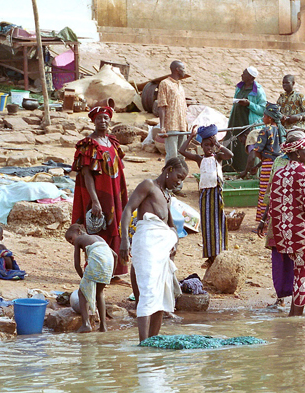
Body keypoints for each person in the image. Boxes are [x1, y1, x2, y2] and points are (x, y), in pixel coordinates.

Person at [119, 157, 189, 342]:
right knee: (148, 293)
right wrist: (124, 240)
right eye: (179, 177)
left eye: (182, 179)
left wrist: (173, 241)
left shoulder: (167, 196)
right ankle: (143, 344)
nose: (179, 182)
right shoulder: (148, 185)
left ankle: (153, 342)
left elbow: (172, 225)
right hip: (147, 245)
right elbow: (128, 210)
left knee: (162, 297)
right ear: (169, 169)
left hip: (162, 252)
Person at [258, 129, 305, 307]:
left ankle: (293, 306)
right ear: (297, 151)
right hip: (299, 225)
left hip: (282, 224)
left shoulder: (284, 169)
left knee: (296, 263)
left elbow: (272, 193)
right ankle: (293, 305)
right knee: (295, 265)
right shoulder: (303, 168)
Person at [72, 106, 128, 283]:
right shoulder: (88, 144)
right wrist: (95, 201)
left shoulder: (111, 142)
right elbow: (87, 175)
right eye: (99, 118)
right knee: (100, 229)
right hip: (98, 194)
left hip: (113, 193)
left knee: (115, 226)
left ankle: (113, 271)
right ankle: (98, 270)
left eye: (105, 118)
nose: (103, 121)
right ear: (93, 121)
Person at [179, 124, 233, 269]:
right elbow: (181, 150)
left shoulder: (218, 157)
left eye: (211, 145)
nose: (209, 148)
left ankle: (220, 253)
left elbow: (230, 155)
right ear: (201, 145)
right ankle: (210, 257)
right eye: (206, 145)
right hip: (205, 196)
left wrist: (218, 144)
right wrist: (191, 137)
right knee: (207, 226)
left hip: (216, 194)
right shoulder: (199, 159)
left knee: (218, 223)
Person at [65, 223, 117, 333]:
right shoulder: (98, 239)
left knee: (82, 292)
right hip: (109, 263)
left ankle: (86, 324)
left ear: (79, 231)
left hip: (98, 259)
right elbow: (115, 255)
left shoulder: (80, 239)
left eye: (70, 238)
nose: (71, 242)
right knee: (99, 293)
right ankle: (103, 326)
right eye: (69, 242)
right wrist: (111, 274)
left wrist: (83, 279)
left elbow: (77, 264)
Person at [224, 66, 267, 173]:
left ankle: (246, 170)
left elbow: (262, 110)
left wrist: (249, 104)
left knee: (247, 146)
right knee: (232, 143)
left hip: (248, 122)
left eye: (244, 74)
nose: (242, 75)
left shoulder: (258, 91)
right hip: (236, 120)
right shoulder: (239, 87)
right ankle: (229, 168)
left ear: (251, 77)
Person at [250, 103, 283, 222]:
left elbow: (257, 150)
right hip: (280, 165)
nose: (263, 118)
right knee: (276, 192)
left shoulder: (266, 130)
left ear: (270, 118)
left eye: (264, 116)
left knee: (265, 192)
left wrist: (263, 160)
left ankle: (264, 221)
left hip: (268, 165)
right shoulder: (281, 129)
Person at [158, 60, 188, 164]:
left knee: (181, 155)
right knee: (172, 156)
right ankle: (169, 178)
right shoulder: (165, 83)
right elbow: (162, 106)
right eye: (183, 69)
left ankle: (179, 178)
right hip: (171, 126)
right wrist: (162, 127)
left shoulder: (180, 85)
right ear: (177, 70)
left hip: (182, 126)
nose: (184, 71)